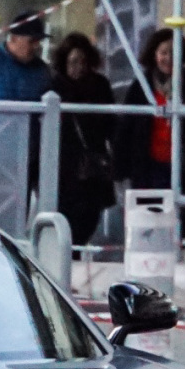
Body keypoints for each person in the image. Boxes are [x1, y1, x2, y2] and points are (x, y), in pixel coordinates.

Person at [126, 27, 185, 237]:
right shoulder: (141, 84)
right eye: (164, 52)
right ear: (154, 54)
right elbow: (127, 125)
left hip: (183, 165)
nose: (169, 58)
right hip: (148, 164)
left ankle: (183, 258)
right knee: (148, 217)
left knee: (183, 217)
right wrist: (122, 165)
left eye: (174, 52)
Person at [47, 32, 114, 247]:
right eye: (74, 62)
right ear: (63, 62)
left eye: (84, 62)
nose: (79, 67)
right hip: (64, 166)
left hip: (92, 164)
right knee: (66, 215)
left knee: (89, 215)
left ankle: (76, 252)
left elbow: (110, 124)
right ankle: (70, 256)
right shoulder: (54, 87)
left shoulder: (100, 85)